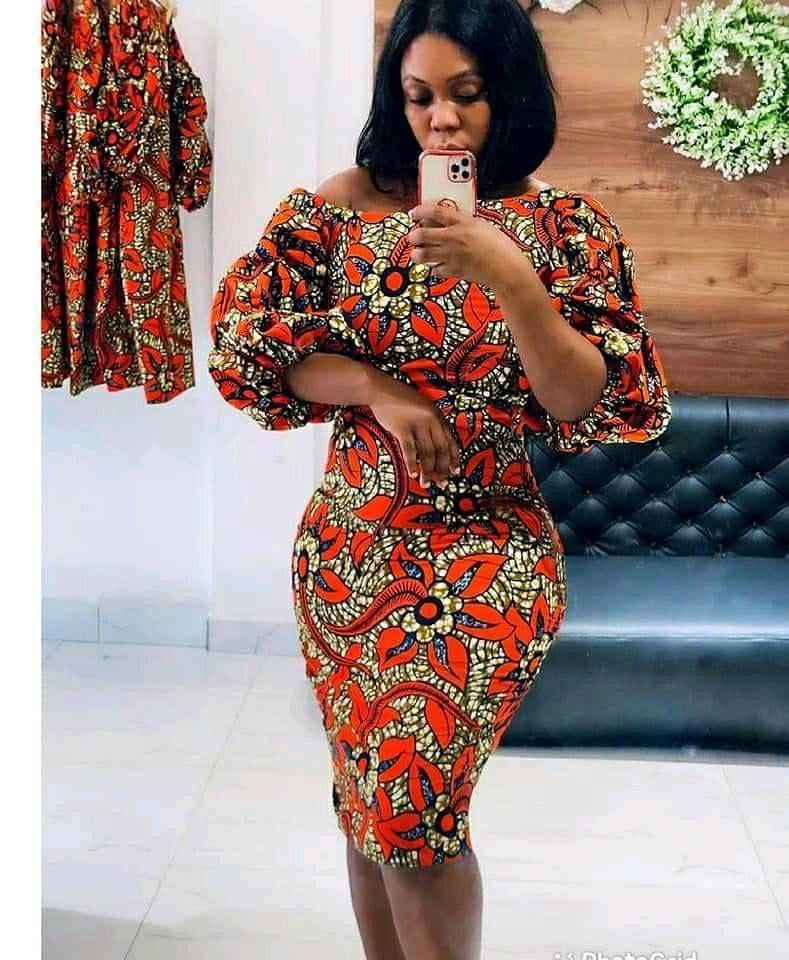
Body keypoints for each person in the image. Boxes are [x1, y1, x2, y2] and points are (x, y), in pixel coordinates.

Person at [207, 0, 672, 956]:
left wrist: (512, 278)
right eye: (419, 96)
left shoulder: (563, 228)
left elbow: (588, 398)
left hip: (486, 553)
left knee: (414, 811)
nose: (441, 120)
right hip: (349, 552)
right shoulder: (339, 209)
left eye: (467, 93)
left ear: (512, 94)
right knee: (367, 799)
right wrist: (376, 388)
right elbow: (252, 349)